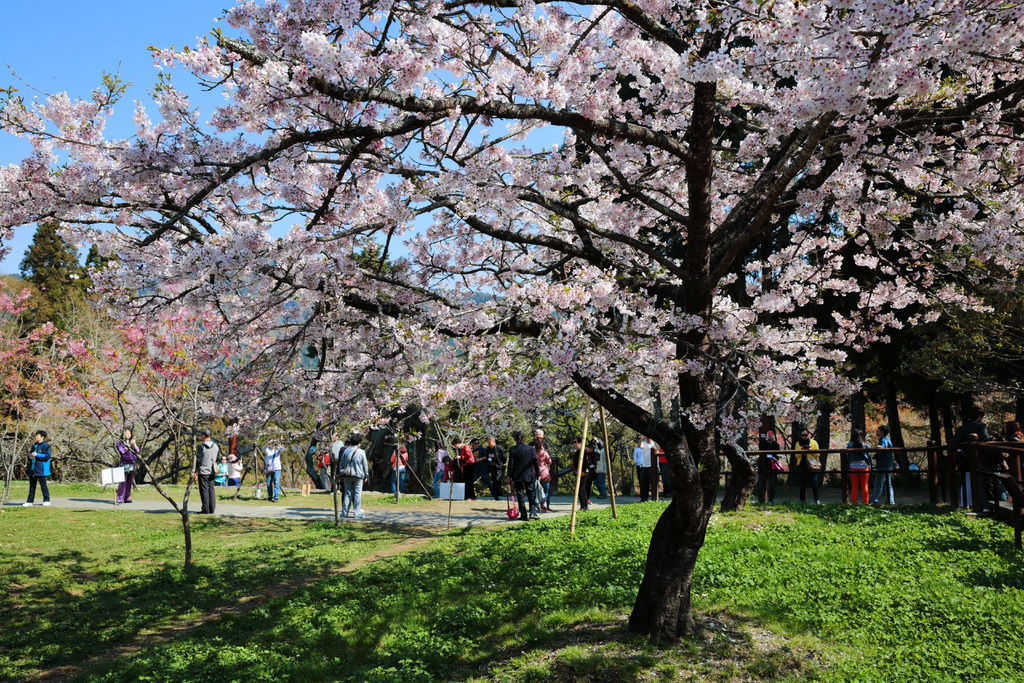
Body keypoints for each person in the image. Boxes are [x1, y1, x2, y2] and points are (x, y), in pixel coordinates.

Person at [506, 431, 540, 520]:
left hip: (517, 476)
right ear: (523, 439)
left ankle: (523, 514)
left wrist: (509, 476)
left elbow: (511, 464)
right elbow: (535, 461)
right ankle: (532, 512)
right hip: (529, 474)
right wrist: (538, 473)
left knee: (520, 494)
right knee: (531, 494)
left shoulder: (513, 449)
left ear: (515, 439)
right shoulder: (530, 449)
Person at [338, 435, 369, 518]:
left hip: (347, 475)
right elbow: (365, 465)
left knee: (347, 493)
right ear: (359, 443)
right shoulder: (361, 452)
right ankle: (357, 513)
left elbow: (341, 463)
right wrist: (366, 475)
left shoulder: (346, 450)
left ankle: (344, 513)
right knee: (357, 494)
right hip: (358, 475)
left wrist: (341, 473)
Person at [755, 418, 783, 503]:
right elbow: (761, 447)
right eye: (768, 435)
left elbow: (777, 450)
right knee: (761, 483)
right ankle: (760, 500)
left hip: (772, 465)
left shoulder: (775, 444)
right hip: (763, 465)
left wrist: (773, 441)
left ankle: (771, 500)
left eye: (771, 435)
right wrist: (765, 439)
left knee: (772, 484)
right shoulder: (763, 442)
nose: (770, 436)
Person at [23, 430, 52, 507]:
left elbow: (47, 456)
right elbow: (30, 455)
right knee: (32, 486)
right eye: (35, 436)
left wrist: (37, 454)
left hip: (41, 469)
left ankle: (47, 500)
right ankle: (29, 501)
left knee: (43, 485)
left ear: (42, 437)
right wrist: (30, 456)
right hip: (33, 468)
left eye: (37, 436)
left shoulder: (46, 445)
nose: (36, 437)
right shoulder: (34, 445)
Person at [794, 428, 821, 504]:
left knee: (814, 482)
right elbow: (796, 455)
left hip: (812, 464)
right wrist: (802, 451)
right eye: (803, 435)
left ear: (808, 435)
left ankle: (817, 499)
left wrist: (810, 451)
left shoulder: (814, 442)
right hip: (801, 465)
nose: (804, 436)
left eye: (806, 435)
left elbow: (818, 454)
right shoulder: (797, 444)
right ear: (800, 435)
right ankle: (802, 500)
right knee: (802, 483)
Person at [846, 429, 872, 505]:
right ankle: (865, 502)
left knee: (854, 486)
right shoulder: (865, 445)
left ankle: (854, 502)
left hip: (853, 467)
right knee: (864, 485)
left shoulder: (850, 445)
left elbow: (848, 456)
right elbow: (869, 455)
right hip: (864, 467)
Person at [196, 430, 219, 514]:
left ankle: (206, 509)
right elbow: (217, 459)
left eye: (201, 435)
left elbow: (199, 460)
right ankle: (212, 509)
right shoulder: (216, 446)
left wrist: (196, 470)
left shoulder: (201, 446)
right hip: (212, 471)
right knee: (211, 490)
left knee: (204, 490)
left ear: (204, 436)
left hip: (203, 471)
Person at [115, 428, 140, 504]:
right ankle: (120, 498)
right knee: (122, 482)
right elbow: (122, 451)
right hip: (124, 464)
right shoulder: (120, 442)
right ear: (123, 434)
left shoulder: (132, 442)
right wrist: (129, 445)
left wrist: (134, 444)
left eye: (129, 433)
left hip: (132, 464)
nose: (129, 435)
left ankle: (127, 497)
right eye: (127, 433)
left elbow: (138, 451)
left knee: (129, 482)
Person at [872, 425, 896, 505]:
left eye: (878, 430)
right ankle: (891, 501)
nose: (876, 431)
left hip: (884, 465)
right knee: (888, 483)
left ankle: (874, 499)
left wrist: (876, 447)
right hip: (888, 464)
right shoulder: (886, 439)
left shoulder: (884, 439)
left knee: (879, 482)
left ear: (882, 432)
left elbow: (882, 447)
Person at [573, 436, 598, 510]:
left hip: (584, 472)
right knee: (582, 489)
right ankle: (584, 506)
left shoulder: (584, 451)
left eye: (575, 442)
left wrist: (583, 471)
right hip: (579, 472)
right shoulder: (578, 451)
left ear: (580, 443)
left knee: (581, 489)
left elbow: (586, 462)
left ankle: (584, 506)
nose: (574, 444)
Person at [478, 436, 506, 500]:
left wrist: (499, 464)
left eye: (489, 442)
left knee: (497, 480)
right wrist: (490, 461)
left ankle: (499, 494)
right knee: (494, 481)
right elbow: (488, 457)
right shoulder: (488, 449)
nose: (488, 443)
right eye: (487, 442)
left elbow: (504, 458)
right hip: (491, 468)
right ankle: (496, 496)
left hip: (499, 468)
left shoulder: (499, 448)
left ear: (493, 441)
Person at [535, 435, 553, 511]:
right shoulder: (544, 453)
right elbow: (550, 461)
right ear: (542, 444)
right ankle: (546, 505)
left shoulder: (532, 452)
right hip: (545, 474)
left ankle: (537, 505)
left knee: (536, 491)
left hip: (535, 473)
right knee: (546, 490)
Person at [634, 437, 655, 502]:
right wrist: (641, 438)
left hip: (653, 466)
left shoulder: (654, 443)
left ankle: (654, 499)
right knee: (643, 484)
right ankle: (644, 499)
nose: (647, 438)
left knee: (653, 484)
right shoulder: (643, 443)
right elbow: (639, 445)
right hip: (644, 466)